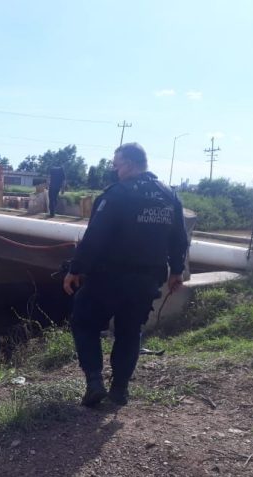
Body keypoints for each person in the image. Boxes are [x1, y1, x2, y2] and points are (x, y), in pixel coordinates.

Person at [63, 143, 188, 408]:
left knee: (84, 323)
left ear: (130, 164)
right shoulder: (169, 196)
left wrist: (75, 269)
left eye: (117, 165)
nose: (115, 170)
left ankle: (95, 383)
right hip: (147, 280)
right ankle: (119, 391)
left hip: (109, 277)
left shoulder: (117, 194)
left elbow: (95, 237)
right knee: (130, 331)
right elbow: (179, 238)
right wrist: (176, 270)